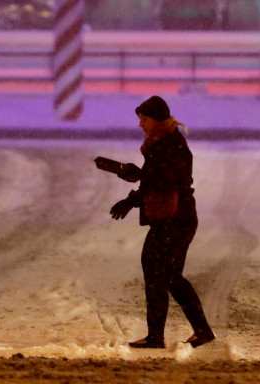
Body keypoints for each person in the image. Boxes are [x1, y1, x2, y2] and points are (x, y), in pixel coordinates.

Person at [110, 95, 215, 349]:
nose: (140, 125)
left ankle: (164, 336)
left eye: (143, 119)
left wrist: (134, 194)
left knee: (164, 274)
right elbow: (157, 178)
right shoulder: (162, 143)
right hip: (173, 218)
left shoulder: (169, 144)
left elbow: (167, 182)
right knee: (165, 275)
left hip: (176, 218)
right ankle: (191, 332)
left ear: (155, 120)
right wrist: (138, 178)